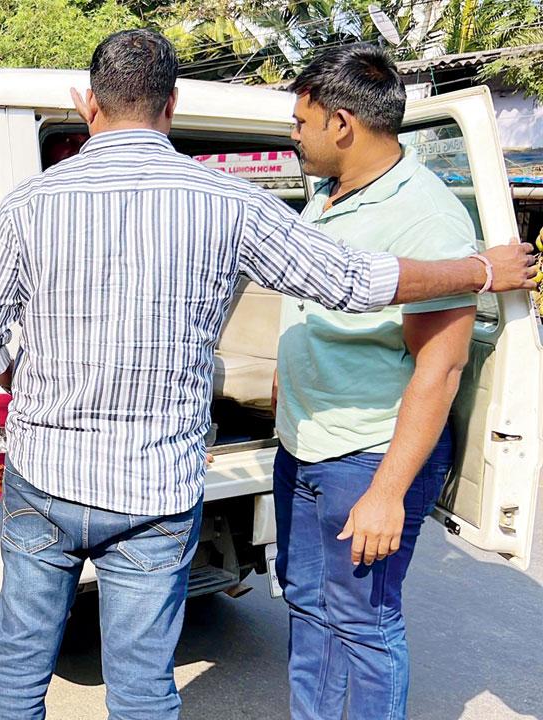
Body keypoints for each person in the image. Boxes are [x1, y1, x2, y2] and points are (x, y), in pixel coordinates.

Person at [0, 29, 536, 720]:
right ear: (171, 104)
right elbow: (352, 282)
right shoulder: (231, 202)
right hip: (154, 487)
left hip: (43, 475)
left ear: (89, 105)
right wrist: (478, 270)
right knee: (141, 689)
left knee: (18, 672)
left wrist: (35, 388)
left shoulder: (27, 203)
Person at [272, 44, 486, 720]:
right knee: (306, 606)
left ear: (341, 124)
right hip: (303, 446)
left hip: (365, 457)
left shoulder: (426, 217)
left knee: (365, 624)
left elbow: (441, 364)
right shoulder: (328, 197)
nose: (294, 136)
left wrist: (388, 491)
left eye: (300, 123)